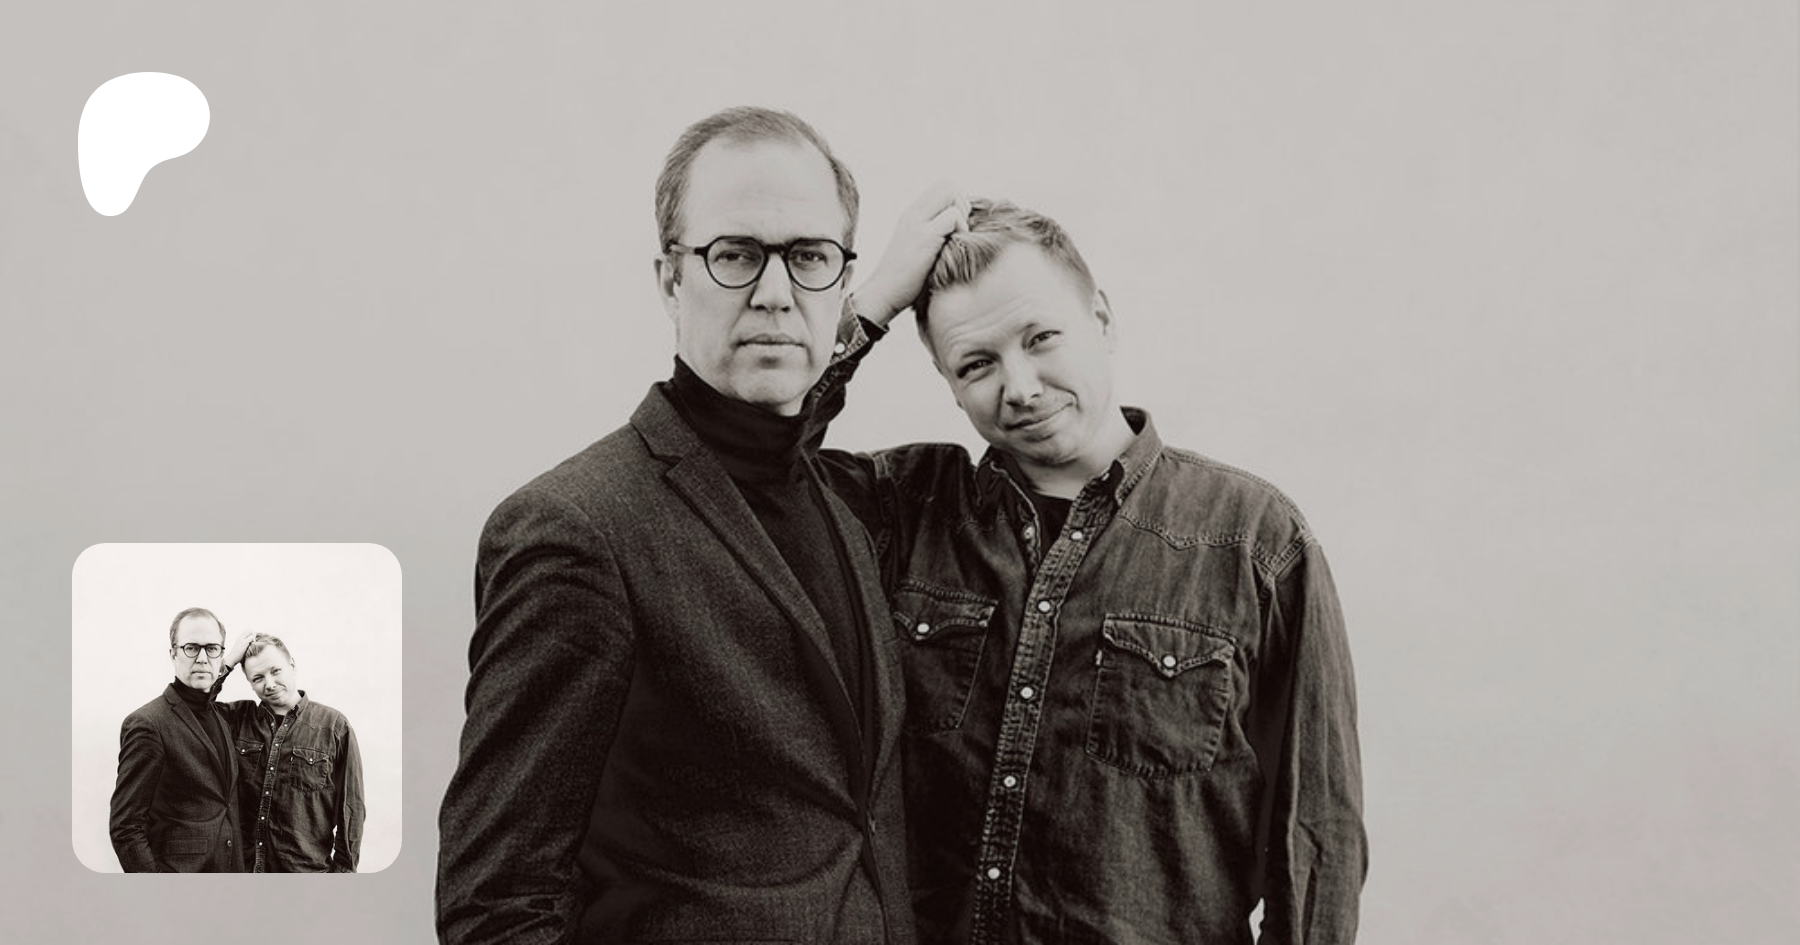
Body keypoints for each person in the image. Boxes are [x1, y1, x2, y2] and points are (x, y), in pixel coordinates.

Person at [435, 106, 935, 945]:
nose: (774, 293)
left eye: (810, 256)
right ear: (671, 279)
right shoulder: (577, 529)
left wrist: (881, 300)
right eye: (734, 255)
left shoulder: (845, 503)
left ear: (842, 278)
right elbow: (496, 905)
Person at [815, 198, 1368, 943]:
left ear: (1101, 319)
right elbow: (747, 469)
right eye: (976, 364)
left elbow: (1316, 844)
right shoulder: (903, 512)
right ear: (947, 381)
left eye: (1041, 338)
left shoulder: (1254, 541)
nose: (1020, 386)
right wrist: (875, 302)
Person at [211, 631, 365, 872]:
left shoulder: (334, 727)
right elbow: (191, 709)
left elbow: (351, 809)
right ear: (249, 682)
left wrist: (342, 876)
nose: (269, 684)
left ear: (292, 665)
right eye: (258, 678)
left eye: (275, 671)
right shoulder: (237, 719)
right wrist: (228, 661)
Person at [108, 607, 244, 873]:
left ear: (221, 654)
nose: (202, 658)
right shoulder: (148, 723)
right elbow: (125, 827)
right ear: (173, 654)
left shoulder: (222, 717)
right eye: (191, 648)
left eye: (212, 648)